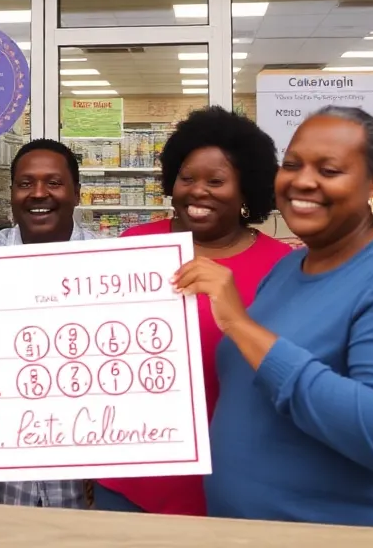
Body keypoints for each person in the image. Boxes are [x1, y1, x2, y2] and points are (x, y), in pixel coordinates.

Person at [176, 106, 373, 531]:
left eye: (328, 170)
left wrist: (240, 325)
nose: (303, 181)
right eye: (293, 165)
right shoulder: (289, 269)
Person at [92, 106, 292, 517]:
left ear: (246, 190)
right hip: (133, 477)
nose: (198, 191)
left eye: (216, 181)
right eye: (187, 178)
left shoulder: (281, 267)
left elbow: (290, 371)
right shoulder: (134, 245)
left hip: (235, 478)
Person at [0, 138, 97, 510]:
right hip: (0, 482)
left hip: (84, 482)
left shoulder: (112, 264)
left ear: (76, 193)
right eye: (25, 183)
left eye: (54, 182)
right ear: (12, 193)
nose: (38, 193)